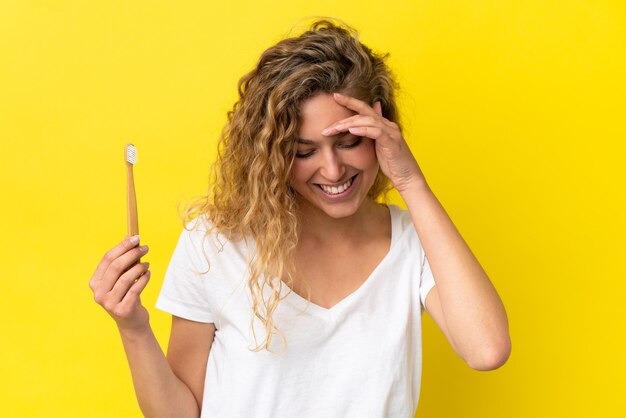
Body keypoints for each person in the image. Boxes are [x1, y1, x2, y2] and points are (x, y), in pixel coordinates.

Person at [89, 19, 511, 418]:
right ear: (272, 156)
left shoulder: (414, 242)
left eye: (348, 142)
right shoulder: (216, 243)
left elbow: (486, 349)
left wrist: (410, 179)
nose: (332, 171)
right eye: (304, 152)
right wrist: (134, 328)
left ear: (382, 130)